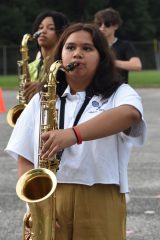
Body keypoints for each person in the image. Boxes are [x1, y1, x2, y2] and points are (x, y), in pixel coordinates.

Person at [5, 23, 147, 240]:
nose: (78, 54)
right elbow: (24, 157)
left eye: (87, 49)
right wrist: (35, 205)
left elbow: (130, 114)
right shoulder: (41, 99)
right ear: (60, 55)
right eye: (70, 47)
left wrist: (72, 134)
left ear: (101, 57)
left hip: (100, 196)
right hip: (49, 197)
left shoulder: (119, 93)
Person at [24, 10, 69, 101]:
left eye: (51, 28)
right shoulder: (31, 66)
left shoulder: (66, 64)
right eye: (40, 27)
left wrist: (43, 86)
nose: (43, 31)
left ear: (62, 34)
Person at [94, 8, 142, 83]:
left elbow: (137, 65)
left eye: (107, 24)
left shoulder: (125, 45)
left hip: (119, 89)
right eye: (99, 24)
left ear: (115, 26)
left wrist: (111, 62)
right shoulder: (93, 45)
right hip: (97, 90)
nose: (102, 27)